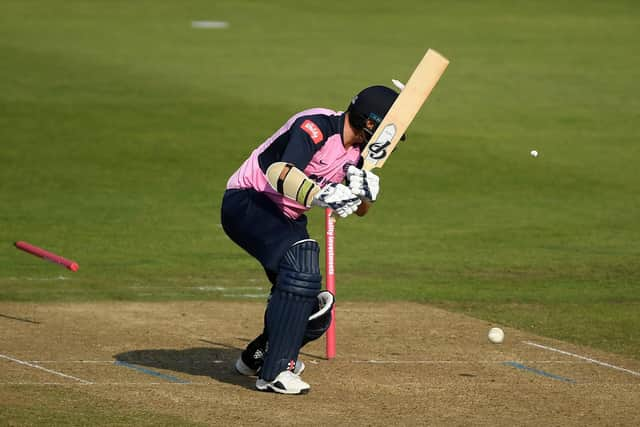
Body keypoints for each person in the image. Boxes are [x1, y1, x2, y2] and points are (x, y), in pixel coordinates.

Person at [220, 85, 402, 395]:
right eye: (387, 130)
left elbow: (360, 210)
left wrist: (365, 193)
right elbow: (280, 172)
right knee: (302, 263)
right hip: (249, 200)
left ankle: (259, 357)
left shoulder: (358, 155)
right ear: (369, 122)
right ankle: (276, 372)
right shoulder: (316, 125)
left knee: (316, 311)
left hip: (286, 218)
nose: (390, 140)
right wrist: (323, 193)